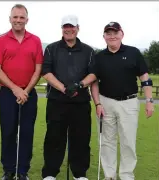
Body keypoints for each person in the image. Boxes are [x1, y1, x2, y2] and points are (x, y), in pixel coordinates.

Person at [81, 22, 154, 180]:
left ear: (122, 34)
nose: (112, 36)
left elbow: (145, 78)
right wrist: (98, 103)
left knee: (128, 141)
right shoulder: (99, 57)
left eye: (115, 32)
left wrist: (149, 100)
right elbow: (94, 80)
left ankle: (127, 175)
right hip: (106, 102)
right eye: (108, 33)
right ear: (104, 36)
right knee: (107, 141)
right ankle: (110, 176)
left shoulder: (133, 52)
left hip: (129, 103)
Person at [0, 4, 43, 180]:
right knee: (8, 131)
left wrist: (25, 90)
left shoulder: (35, 40)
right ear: (10, 19)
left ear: (27, 20)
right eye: (15, 17)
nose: (18, 20)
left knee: (27, 132)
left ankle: (22, 171)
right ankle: (9, 170)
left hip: (29, 93)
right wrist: (15, 89)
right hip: (7, 93)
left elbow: (38, 69)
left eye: (22, 17)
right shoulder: (1, 40)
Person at [41, 15, 96, 180]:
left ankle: (80, 173)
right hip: (57, 101)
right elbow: (46, 72)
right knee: (54, 137)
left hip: (80, 102)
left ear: (78, 28)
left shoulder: (88, 50)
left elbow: (93, 73)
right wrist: (63, 88)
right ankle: (50, 173)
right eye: (65, 27)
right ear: (62, 29)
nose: (68, 29)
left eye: (71, 26)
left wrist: (79, 85)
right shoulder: (51, 48)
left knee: (80, 138)